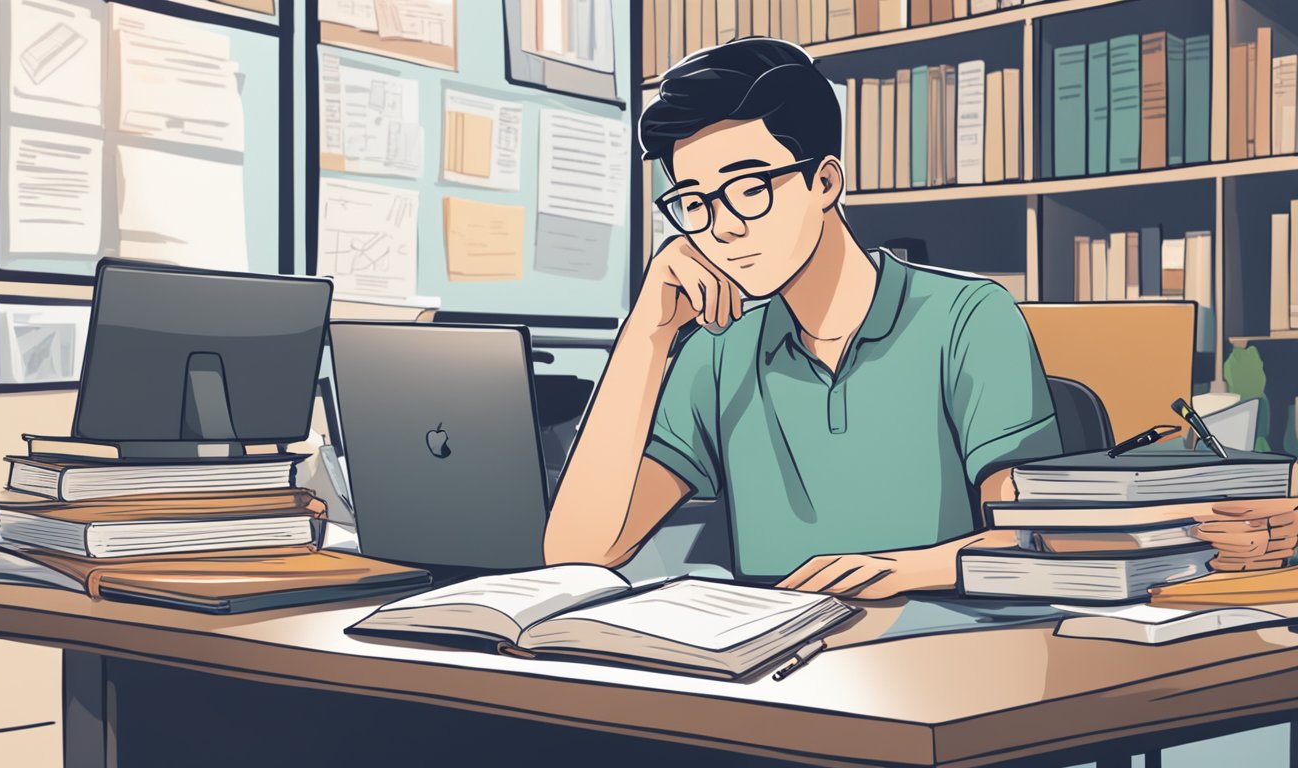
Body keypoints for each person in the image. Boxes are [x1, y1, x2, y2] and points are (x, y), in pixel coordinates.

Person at [541, 37, 1278, 597]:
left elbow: (1033, 540)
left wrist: (908, 569)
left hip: (949, 660)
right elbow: (576, 556)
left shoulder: (966, 319)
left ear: (824, 181)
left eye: (749, 188)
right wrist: (648, 332)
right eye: (694, 202)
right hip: (776, 677)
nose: (722, 227)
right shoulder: (716, 351)